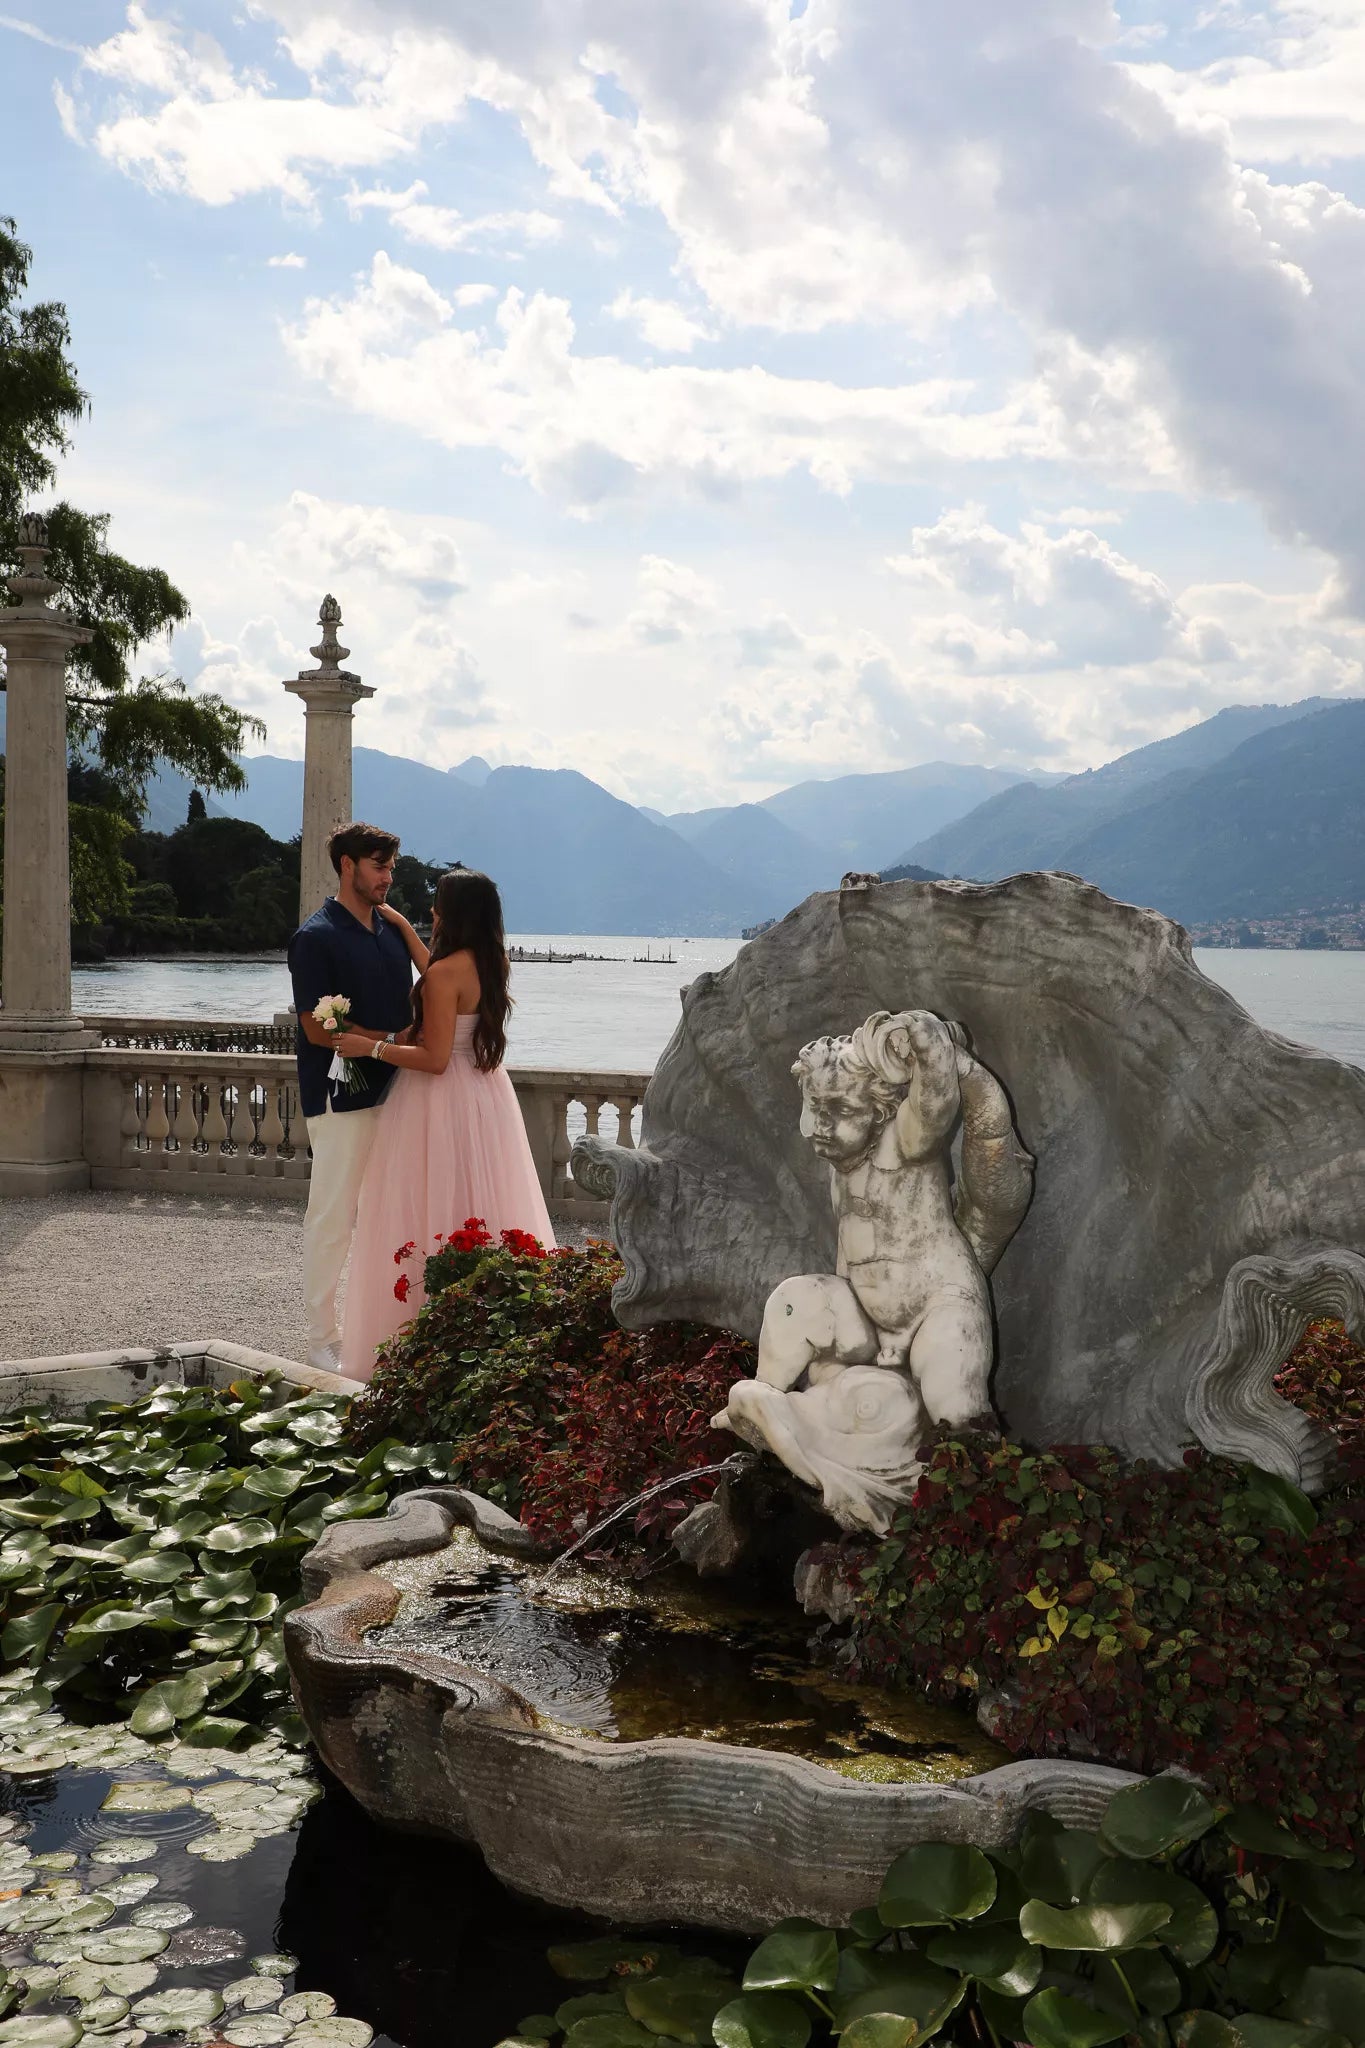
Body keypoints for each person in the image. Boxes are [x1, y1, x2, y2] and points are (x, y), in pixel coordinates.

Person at [334, 868, 556, 1381]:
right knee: (483, 1201)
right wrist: (406, 930)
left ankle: (419, 1339)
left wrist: (372, 1047)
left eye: (436, 907)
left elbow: (434, 1057)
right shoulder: (493, 962)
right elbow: (443, 981)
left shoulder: (440, 975)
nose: (430, 914)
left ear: (452, 915)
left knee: (422, 1205)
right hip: (485, 1094)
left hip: (436, 1097)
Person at [287, 822, 426, 1375]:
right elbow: (318, 1029)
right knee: (333, 1214)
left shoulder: (391, 932)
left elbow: (428, 991)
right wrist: (393, 1042)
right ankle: (322, 1336)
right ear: (347, 866)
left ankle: (388, 1326)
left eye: (391, 867)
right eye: (378, 866)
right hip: (341, 1093)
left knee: (394, 1209)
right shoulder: (315, 937)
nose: (388, 877)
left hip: (402, 1087)